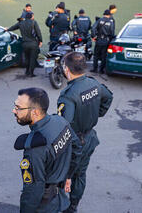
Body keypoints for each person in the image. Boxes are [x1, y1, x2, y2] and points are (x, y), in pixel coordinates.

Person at [57, 52, 113, 213]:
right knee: (80, 174)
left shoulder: (68, 95)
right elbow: (108, 97)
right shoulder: (94, 84)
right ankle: (73, 206)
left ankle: (61, 204)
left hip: (74, 144)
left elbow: (64, 126)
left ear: (66, 69)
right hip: (89, 138)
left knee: (63, 175)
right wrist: (98, 113)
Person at [13, 88, 82, 213]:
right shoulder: (60, 121)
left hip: (45, 204)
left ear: (35, 112)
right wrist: (68, 176)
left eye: (18, 107)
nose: (14, 110)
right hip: (60, 196)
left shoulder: (35, 148)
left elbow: (34, 188)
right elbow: (76, 149)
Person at [7, 12, 42, 77]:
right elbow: (38, 33)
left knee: (27, 58)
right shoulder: (34, 22)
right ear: (31, 16)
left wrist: (7, 29)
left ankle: (27, 71)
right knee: (32, 58)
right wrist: (40, 41)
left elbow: (13, 27)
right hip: (33, 44)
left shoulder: (21, 23)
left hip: (25, 44)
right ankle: (31, 73)